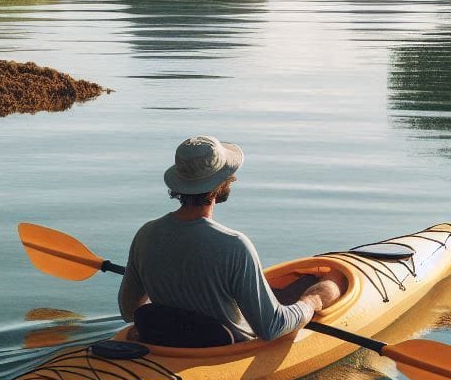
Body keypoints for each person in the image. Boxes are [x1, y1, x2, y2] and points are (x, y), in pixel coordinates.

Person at [118, 135, 342, 342]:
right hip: (226, 352)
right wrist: (311, 302)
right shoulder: (235, 245)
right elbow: (271, 327)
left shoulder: (145, 234)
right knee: (316, 292)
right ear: (220, 184)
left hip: (165, 344)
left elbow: (129, 310)